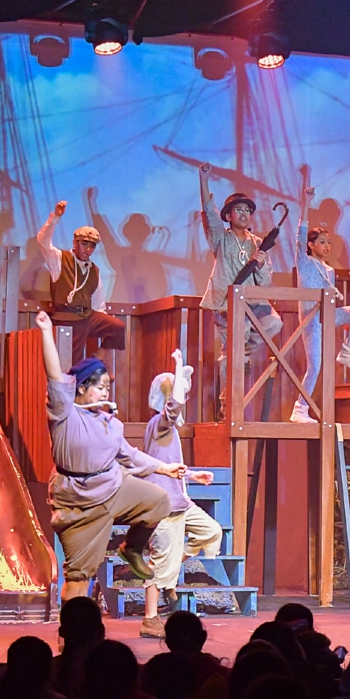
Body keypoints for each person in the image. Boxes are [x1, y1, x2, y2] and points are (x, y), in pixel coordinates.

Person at [34, 310, 179, 615]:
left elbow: (128, 454)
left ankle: (132, 549)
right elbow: (54, 376)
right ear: (81, 388)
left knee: (158, 501)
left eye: (107, 387)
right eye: (99, 386)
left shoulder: (110, 422)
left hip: (113, 487)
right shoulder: (64, 413)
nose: (104, 391)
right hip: (78, 503)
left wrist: (164, 468)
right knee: (78, 579)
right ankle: (71, 632)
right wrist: (46, 332)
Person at [139, 350, 223, 639]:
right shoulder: (159, 425)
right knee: (159, 561)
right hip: (164, 508)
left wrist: (193, 475)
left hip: (181, 504)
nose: (184, 398)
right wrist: (176, 365)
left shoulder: (170, 432)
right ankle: (150, 619)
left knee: (211, 532)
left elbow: (168, 466)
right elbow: (173, 408)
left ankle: (172, 573)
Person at [198, 163, 283, 417]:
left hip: (253, 303)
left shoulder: (258, 243)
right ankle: (227, 406)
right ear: (228, 216)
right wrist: (203, 180)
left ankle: (243, 353)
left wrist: (261, 264)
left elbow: (265, 282)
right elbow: (209, 212)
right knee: (233, 347)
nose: (244, 214)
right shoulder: (221, 238)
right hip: (227, 303)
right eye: (239, 210)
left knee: (274, 323)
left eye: (247, 210)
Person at [290, 183, 350, 423]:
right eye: (322, 242)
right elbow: (300, 234)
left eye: (328, 242)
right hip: (311, 319)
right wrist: (306, 203)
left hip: (327, 315)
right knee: (315, 366)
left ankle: (348, 352)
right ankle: (299, 409)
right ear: (311, 245)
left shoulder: (329, 270)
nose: (326, 246)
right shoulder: (305, 262)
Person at [35, 200, 126, 363]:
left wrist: (101, 322)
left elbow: (98, 305)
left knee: (117, 327)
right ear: (75, 243)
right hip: (66, 317)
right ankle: (72, 375)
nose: (88, 250)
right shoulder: (59, 259)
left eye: (92, 246)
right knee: (72, 361)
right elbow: (43, 241)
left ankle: (98, 358)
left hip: (87, 316)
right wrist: (55, 217)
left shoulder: (94, 270)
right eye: (84, 244)